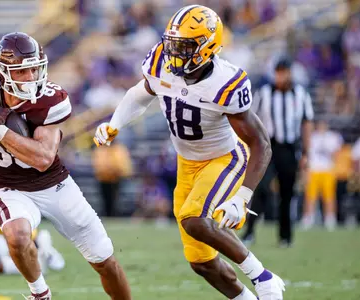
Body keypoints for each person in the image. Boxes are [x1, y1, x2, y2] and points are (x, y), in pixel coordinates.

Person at [0, 32, 131, 300]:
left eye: (34, 69)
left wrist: (1, 132)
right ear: (2, 73)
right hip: (10, 187)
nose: (31, 77)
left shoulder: (51, 100)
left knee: (104, 261)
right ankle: (40, 294)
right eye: (22, 71)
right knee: (17, 236)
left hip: (55, 185)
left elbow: (42, 159)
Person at [94, 5, 284, 300]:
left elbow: (261, 142)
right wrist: (114, 123)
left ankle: (264, 278)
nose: (174, 52)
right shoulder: (160, 60)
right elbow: (140, 94)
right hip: (187, 163)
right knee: (201, 262)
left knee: (194, 219)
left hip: (224, 159)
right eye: (173, 43)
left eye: (183, 46)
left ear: (207, 47)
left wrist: (242, 197)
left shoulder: (225, 83)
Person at [242, 57, 314, 246]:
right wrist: (252, 145)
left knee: (287, 193)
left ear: (289, 73)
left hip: (289, 148)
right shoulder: (264, 93)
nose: (280, 76)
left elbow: (306, 123)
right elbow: (252, 120)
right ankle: (249, 232)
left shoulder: (300, 94)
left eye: (283, 72)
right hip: (268, 147)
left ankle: (285, 236)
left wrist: (306, 153)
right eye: (278, 72)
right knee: (261, 189)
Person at [302, 119, 342, 230]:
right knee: (310, 196)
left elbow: (337, 153)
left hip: (327, 169)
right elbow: (307, 153)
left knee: (329, 196)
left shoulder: (332, 137)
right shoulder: (312, 137)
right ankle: (308, 218)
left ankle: (330, 218)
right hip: (314, 169)